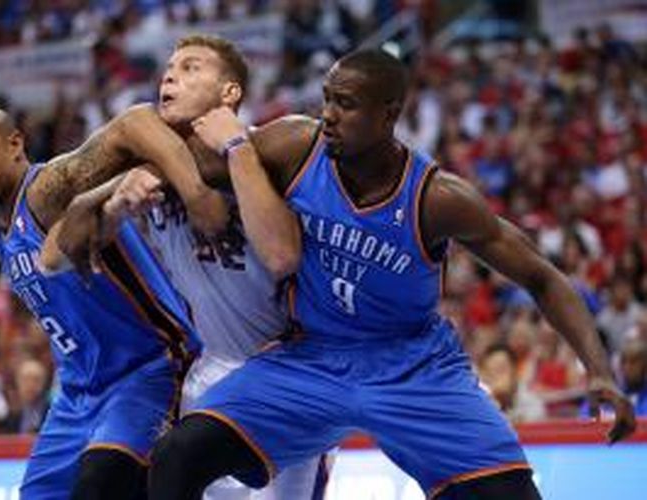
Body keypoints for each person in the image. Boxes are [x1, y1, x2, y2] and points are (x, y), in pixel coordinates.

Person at [143, 49, 636, 499]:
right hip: (312, 357)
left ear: (390, 114)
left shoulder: (438, 198)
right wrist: (125, 173)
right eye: (327, 99)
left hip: (411, 366)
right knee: (177, 456)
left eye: (348, 105)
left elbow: (541, 277)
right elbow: (188, 156)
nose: (330, 115)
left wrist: (596, 369)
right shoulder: (295, 145)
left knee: (512, 495)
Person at [48, 35, 327, 500]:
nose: (170, 75)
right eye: (169, 68)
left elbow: (283, 256)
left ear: (229, 93)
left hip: (291, 371)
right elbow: (56, 258)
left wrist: (227, 159)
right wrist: (113, 203)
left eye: (191, 67)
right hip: (212, 370)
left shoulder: (270, 153)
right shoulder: (148, 170)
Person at [0, 105, 217, 499]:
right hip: (77, 392)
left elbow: (132, 123)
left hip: (147, 369)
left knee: (102, 482)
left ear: (15, 144)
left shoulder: (47, 189)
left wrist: (194, 189)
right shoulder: (1, 221)